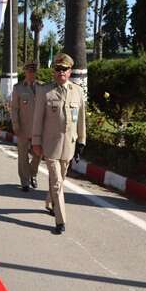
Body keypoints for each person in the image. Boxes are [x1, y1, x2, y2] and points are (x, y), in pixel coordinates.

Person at [32, 53, 86, 235]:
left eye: (64, 69)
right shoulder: (45, 91)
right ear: (53, 71)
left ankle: (50, 202)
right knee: (56, 182)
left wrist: (81, 141)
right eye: (58, 69)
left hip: (69, 145)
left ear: (70, 71)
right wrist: (36, 141)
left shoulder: (77, 91)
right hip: (51, 145)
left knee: (60, 180)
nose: (61, 72)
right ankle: (60, 220)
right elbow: (37, 119)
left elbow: (81, 120)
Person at [11, 61, 43, 192]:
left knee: (38, 154)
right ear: (25, 72)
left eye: (33, 71)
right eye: (29, 71)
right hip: (23, 127)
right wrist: (15, 125)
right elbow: (14, 108)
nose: (31, 74)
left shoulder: (42, 87)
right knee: (23, 155)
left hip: (39, 128)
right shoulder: (18, 88)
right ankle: (24, 181)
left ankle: (32, 173)